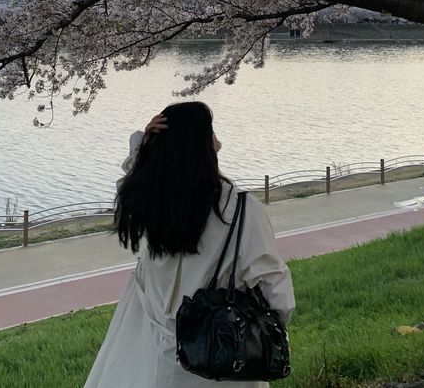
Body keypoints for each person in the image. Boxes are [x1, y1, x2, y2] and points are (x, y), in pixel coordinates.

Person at [84, 101, 295, 388]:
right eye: (212, 133)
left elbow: (129, 191)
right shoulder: (240, 210)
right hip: (219, 355)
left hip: (152, 350)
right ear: (205, 144)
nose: (218, 141)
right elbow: (275, 289)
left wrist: (143, 150)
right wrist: (264, 333)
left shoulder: (149, 206)